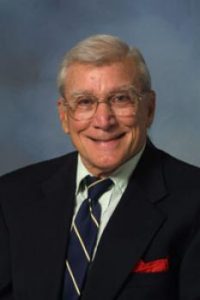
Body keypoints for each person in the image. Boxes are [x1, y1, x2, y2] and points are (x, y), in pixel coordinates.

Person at [1, 34, 200, 300]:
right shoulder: (11, 195)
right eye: (85, 102)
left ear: (149, 108)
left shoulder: (194, 200)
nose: (103, 121)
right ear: (64, 116)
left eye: (120, 99)